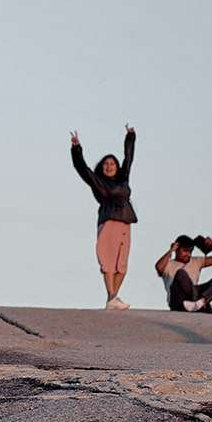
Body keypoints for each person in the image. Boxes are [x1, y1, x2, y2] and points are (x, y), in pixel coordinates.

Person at [70, 125, 138, 310]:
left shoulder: (123, 179)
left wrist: (130, 136)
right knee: (108, 261)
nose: (109, 167)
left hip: (125, 221)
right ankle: (112, 296)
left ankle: (112, 299)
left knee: (122, 264)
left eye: (112, 164)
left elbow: (129, 158)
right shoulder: (97, 181)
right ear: (102, 167)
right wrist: (77, 149)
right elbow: (82, 168)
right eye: (106, 164)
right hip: (108, 221)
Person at [155, 234, 212, 313]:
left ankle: (202, 302)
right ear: (177, 249)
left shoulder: (196, 261)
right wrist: (171, 250)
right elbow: (158, 267)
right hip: (178, 299)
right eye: (185, 251)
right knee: (180, 273)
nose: (188, 254)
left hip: (195, 296)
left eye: (190, 251)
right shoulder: (168, 264)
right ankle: (206, 307)